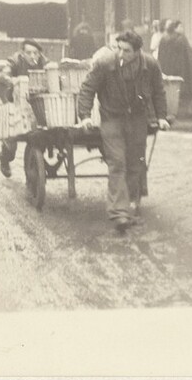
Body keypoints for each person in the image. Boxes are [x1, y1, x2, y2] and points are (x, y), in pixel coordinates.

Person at [77, 30, 170, 232]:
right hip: (112, 118)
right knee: (117, 162)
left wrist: (162, 116)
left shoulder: (150, 65)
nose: (120, 54)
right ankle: (119, 213)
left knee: (136, 163)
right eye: (118, 48)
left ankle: (132, 205)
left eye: (126, 50)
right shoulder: (105, 63)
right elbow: (87, 89)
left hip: (137, 119)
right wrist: (84, 116)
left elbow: (158, 91)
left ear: (137, 52)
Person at [0, 39, 48, 177]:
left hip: (35, 103)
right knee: (11, 140)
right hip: (14, 100)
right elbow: (2, 75)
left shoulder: (43, 61)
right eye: (29, 53)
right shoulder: (16, 60)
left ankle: (35, 165)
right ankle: (5, 158)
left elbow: (52, 71)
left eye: (35, 53)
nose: (32, 56)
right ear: (22, 53)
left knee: (41, 134)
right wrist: (12, 80)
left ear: (39, 54)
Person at [157, 19, 192, 115]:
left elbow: (161, 56)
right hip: (182, 68)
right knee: (185, 89)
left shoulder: (163, 39)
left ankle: (171, 111)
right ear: (175, 28)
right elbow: (189, 55)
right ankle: (188, 111)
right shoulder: (181, 39)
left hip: (167, 68)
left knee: (169, 89)